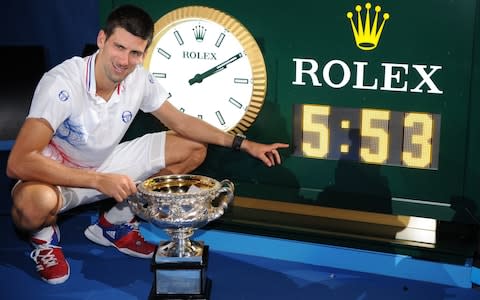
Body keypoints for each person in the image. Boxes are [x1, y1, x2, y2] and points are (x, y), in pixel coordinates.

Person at [6, 4, 289, 285]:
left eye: (135, 53)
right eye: (119, 47)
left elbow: (181, 122)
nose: (124, 61)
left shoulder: (138, 78)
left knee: (191, 147)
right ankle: (44, 239)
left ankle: (113, 225)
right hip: (56, 175)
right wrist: (97, 180)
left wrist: (243, 143)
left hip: (105, 165)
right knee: (32, 207)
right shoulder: (62, 83)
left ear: (144, 52)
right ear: (102, 39)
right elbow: (19, 162)